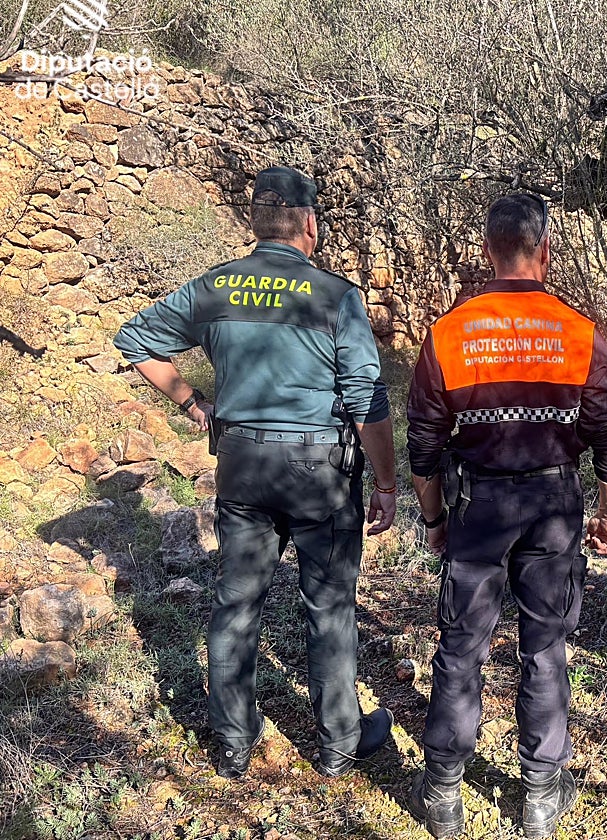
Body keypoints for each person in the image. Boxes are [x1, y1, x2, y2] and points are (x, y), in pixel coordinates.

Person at [113, 165, 397, 779]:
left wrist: (195, 406)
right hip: (318, 467)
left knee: (238, 602)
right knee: (329, 607)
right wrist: (389, 483)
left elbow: (135, 340)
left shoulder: (214, 289)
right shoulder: (335, 296)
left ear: (255, 223)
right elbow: (367, 399)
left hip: (241, 463)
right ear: (310, 225)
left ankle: (234, 744)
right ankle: (339, 745)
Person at [405, 193, 607, 839]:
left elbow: (424, 441)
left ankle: (443, 794)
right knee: (545, 650)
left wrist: (432, 518)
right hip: (554, 506)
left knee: (460, 647)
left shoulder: (450, 331)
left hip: (477, 503)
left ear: (486, 251)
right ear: (546, 250)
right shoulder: (581, 332)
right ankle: (538, 795)